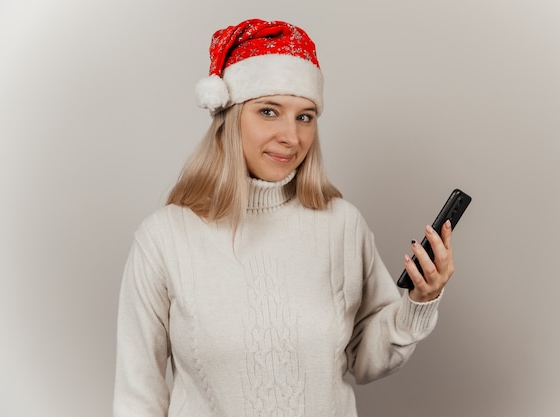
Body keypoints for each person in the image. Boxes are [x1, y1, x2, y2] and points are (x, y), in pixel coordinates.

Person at [113, 18, 455, 417]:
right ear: (229, 117)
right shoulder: (163, 238)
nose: (291, 137)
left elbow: (365, 358)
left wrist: (419, 300)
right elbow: (138, 396)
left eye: (305, 116)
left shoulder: (342, 225)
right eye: (269, 111)